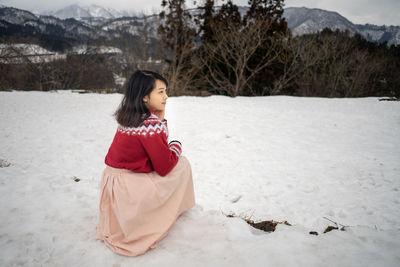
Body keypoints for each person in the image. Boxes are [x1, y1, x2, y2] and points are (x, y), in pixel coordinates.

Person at [95, 70, 195, 256]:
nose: (166, 96)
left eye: (165, 91)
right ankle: (173, 210)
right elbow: (164, 167)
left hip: (113, 182)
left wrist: (159, 119)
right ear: (144, 97)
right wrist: (176, 146)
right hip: (129, 188)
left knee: (175, 163)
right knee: (182, 164)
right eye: (160, 92)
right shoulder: (150, 124)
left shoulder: (128, 116)